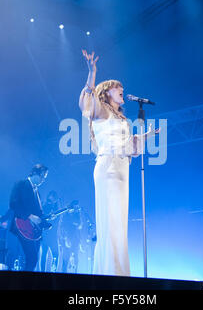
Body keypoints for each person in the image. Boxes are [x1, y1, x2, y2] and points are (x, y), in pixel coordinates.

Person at [78, 50, 159, 276]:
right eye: (117, 87)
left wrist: (145, 137)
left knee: (119, 224)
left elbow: (129, 146)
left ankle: (118, 272)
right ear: (106, 92)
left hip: (122, 170)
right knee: (111, 222)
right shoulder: (101, 111)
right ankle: (111, 274)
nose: (121, 89)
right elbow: (88, 100)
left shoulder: (121, 117)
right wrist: (92, 72)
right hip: (109, 168)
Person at [9, 164, 50, 271]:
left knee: (33, 260)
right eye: (42, 176)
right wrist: (30, 216)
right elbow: (13, 204)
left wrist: (45, 222)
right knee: (31, 259)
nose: (43, 180)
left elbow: (39, 214)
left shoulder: (37, 193)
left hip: (33, 231)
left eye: (45, 178)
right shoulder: (21, 184)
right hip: (20, 227)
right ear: (35, 173)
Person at [40, 190, 61, 272]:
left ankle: (54, 270)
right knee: (44, 254)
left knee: (56, 254)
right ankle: (42, 272)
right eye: (50, 199)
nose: (51, 201)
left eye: (53, 199)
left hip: (53, 235)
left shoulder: (57, 208)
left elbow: (58, 220)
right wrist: (48, 215)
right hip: (45, 234)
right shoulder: (44, 206)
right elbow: (41, 217)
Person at [59, 200, 82, 273]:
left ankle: (75, 272)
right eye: (75, 206)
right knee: (66, 258)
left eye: (77, 206)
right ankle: (64, 272)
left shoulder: (77, 214)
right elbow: (62, 225)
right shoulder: (66, 214)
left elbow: (80, 225)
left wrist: (74, 222)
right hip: (67, 238)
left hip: (75, 238)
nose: (77, 208)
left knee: (76, 257)